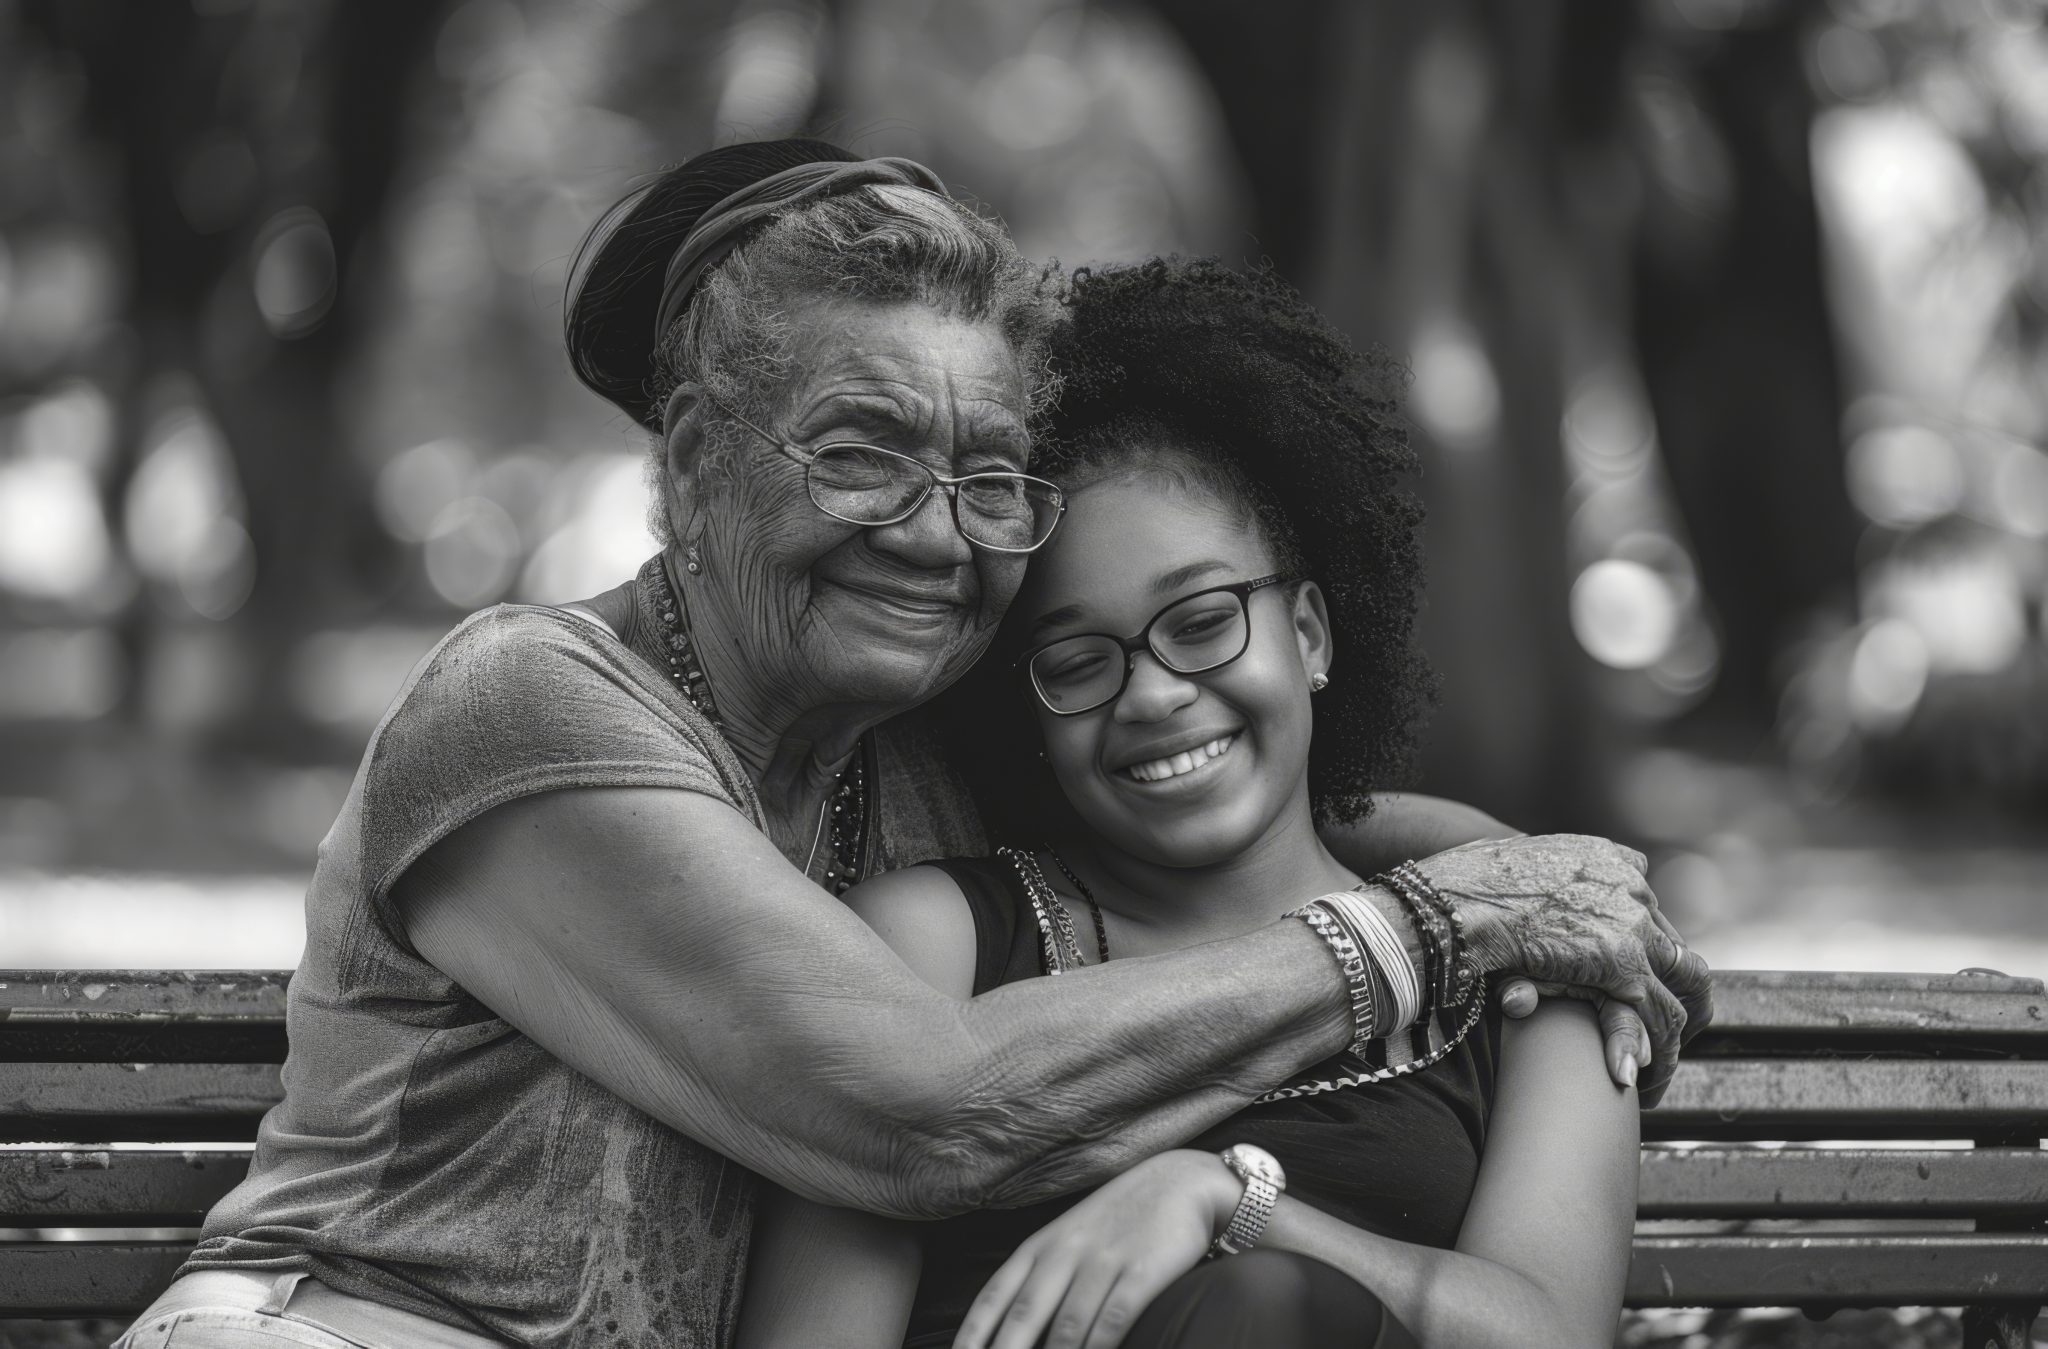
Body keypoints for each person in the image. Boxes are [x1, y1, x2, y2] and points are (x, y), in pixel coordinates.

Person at [115, 141, 1701, 1348]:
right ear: (694, 459)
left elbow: (1259, 805)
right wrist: (1448, 920)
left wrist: (1520, 874)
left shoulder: (910, 746)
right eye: (865, 454)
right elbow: (917, 1110)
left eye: (991, 474)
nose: (938, 536)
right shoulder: (530, 703)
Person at [736, 258, 1637, 1349]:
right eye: (1075, 660)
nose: (1154, 694)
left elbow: (1550, 1332)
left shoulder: (1524, 966)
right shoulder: (936, 944)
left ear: (1307, 631)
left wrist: (1226, 1203)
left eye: (1202, 619)